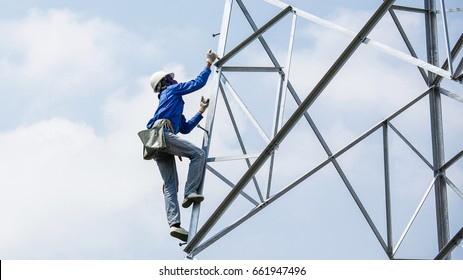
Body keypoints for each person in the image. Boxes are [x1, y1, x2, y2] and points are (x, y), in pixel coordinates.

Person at [146, 50, 217, 242]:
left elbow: (184, 128)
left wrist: (201, 111)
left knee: (170, 185)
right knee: (198, 154)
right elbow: (198, 83)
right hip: (163, 135)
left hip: (156, 142)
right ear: (166, 83)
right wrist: (208, 64)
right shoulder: (171, 92)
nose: (174, 80)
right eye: (170, 78)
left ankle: (174, 225)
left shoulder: (170, 102)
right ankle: (190, 193)